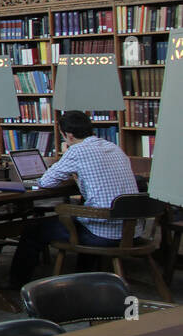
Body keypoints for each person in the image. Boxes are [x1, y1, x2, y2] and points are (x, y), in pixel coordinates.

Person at [8, 110, 140, 287]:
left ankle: (17, 284)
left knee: (33, 229)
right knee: (84, 214)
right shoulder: (114, 147)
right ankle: (84, 277)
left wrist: (67, 154)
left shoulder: (77, 151)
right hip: (131, 230)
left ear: (68, 135)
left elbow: (46, 181)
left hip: (102, 233)